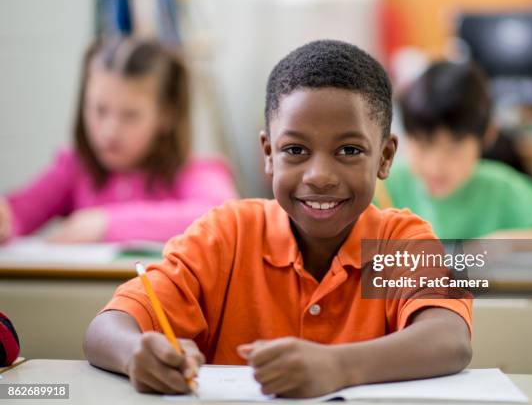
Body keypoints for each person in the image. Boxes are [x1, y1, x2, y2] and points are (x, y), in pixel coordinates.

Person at [84, 40, 472, 398]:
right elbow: (104, 329)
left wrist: (339, 366)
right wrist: (136, 352)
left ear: (385, 157)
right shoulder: (227, 235)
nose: (319, 175)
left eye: (350, 149)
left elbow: (449, 338)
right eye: (296, 149)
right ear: (268, 154)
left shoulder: (398, 241)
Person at [0, 37, 237, 244]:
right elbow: (18, 213)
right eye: (100, 110)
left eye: (130, 115)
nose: (109, 131)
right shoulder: (73, 169)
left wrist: (106, 224)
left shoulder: (193, 171)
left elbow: (223, 216)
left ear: (166, 114)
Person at [376, 61, 532, 239]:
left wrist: (508, 244)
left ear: (488, 135)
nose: (435, 166)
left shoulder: (503, 190)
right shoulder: (381, 188)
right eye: (423, 145)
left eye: (454, 149)